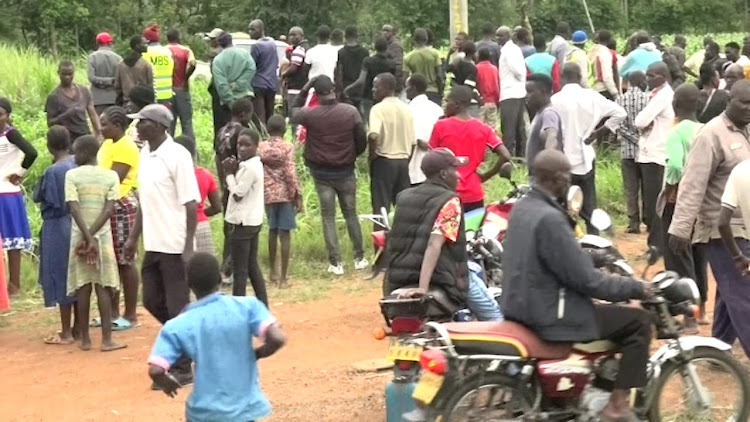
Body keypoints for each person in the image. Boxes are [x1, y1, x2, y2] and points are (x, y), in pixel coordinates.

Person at [502, 149, 651, 422]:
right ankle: (617, 406)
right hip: (550, 316)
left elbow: (550, 258)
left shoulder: (523, 208)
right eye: (568, 176)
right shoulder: (550, 218)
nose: (570, 181)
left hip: (520, 306)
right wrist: (635, 287)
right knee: (638, 321)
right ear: (558, 180)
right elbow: (589, 282)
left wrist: (592, 257)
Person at [147, 252, 286, 422]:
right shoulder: (247, 306)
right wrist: (256, 354)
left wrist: (165, 382)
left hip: (204, 413)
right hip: (243, 411)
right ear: (220, 279)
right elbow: (277, 338)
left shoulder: (179, 324)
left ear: (189, 284)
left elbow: (155, 370)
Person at [669, 80, 750, 361]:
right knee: (744, 296)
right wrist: (681, 228)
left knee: (733, 292)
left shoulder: (747, 130)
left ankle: (719, 351)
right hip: (722, 230)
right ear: (730, 100)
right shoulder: (711, 135)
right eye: (744, 103)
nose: (749, 108)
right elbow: (692, 182)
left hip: (746, 226)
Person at [124, 104, 200, 384]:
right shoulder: (145, 153)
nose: (137, 127)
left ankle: (183, 367)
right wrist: (133, 238)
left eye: (141, 122)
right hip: (154, 243)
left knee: (177, 305)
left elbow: (190, 203)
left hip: (174, 244)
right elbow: (145, 200)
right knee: (152, 300)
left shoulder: (177, 155)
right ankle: (190, 345)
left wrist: (188, 247)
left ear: (158, 126)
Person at [385, 148, 503, 321]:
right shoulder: (449, 201)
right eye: (455, 170)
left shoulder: (403, 197)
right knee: (496, 319)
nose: (459, 176)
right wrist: (422, 288)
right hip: (442, 277)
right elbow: (434, 244)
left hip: (400, 278)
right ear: (443, 174)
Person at [292, 76, 368, 275]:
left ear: (316, 94)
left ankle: (336, 263)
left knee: (328, 217)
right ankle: (359, 257)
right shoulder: (350, 112)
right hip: (346, 170)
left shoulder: (311, 114)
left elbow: (293, 111)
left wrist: (305, 87)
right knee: (351, 213)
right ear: (334, 89)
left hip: (322, 173)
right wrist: (352, 155)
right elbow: (361, 139)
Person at [64, 135, 124, 352]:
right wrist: (94, 238)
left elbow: (74, 208)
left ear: (83, 153)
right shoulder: (110, 176)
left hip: (79, 238)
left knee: (83, 287)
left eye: (75, 152)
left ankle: (86, 340)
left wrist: (85, 238)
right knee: (103, 286)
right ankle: (107, 340)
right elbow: (109, 210)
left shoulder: (72, 175)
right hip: (102, 238)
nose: (73, 156)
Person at [552, 62, 626, 234]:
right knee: (589, 204)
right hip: (586, 157)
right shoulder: (592, 97)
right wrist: (599, 132)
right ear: (580, 77)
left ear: (562, 78)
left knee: (564, 204)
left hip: (563, 160)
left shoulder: (555, 100)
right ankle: (594, 239)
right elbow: (620, 113)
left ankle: (568, 241)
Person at [658, 84, 707, 332]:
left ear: (675, 104)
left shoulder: (676, 133)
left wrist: (670, 188)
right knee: (699, 256)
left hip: (678, 202)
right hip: (702, 202)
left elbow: (675, 165)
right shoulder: (705, 130)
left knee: (678, 257)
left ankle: (688, 316)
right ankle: (702, 310)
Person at [429, 86, 511, 212]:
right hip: (473, 192)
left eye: (447, 102)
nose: (445, 106)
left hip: (446, 192)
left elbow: (431, 160)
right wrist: (485, 176)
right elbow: (505, 155)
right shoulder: (484, 128)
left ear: (456, 104)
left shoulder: (440, 126)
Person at [96, 106, 140, 330]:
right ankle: (112, 312)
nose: (100, 127)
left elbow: (113, 179)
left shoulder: (126, 147)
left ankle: (130, 314)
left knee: (125, 260)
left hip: (121, 205)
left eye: (105, 124)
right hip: (108, 205)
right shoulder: (107, 144)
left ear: (118, 126)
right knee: (110, 261)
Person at [34, 126, 77, 344]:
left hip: (57, 226)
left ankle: (66, 332)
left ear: (49, 145)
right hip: (76, 222)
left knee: (60, 275)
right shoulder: (76, 162)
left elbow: (40, 196)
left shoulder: (53, 171)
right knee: (76, 276)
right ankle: (78, 328)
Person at [222, 128, 268, 304]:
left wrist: (228, 175)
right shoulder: (248, 165)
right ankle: (263, 304)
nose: (241, 148)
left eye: (247, 145)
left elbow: (238, 193)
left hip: (243, 223)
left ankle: (238, 307)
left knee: (240, 270)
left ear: (256, 146)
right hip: (251, 221)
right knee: (251, 266)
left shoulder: (250, 168)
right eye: (239, 144)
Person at [0, 98, 38, 297]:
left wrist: (19, 173)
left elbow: (32, 152)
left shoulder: (11, 134)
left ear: (8, 116)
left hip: (7, 193)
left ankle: (14, 285)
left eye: (1, 114)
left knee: (12, 242)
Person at [258, 115, 301, 287]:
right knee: (285, 235)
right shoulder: (287, 147)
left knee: (272, 231)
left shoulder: (261, 147)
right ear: (284, 130)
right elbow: (290, 172)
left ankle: (272, 273)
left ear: (267, 129)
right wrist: (297, 194)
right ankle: (283, 278)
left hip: (267, 194)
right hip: (284, 195)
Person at [216, 98, 256, 279]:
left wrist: (223, 181)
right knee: (240, 229)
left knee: (228, 227)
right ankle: (232, 269)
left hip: (226, 183)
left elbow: (218, 159)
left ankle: (227, 267)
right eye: (249, 114)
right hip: (239, 184)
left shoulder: (221, 130)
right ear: (243, 114)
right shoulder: (243, 133)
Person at [368, 72, 414, 223]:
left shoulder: (378, 109)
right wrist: (407, 160)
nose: (373, 90)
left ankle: (380, 244)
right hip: (403, 162)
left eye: (376, 87)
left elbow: (373, 135)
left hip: (384, 161)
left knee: (381, 208)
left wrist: (372, 156)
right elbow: (413, 142)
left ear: (387, 88)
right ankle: (404, 243)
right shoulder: (407, 109)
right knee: (404, 208)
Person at [635, 61, 675, 234]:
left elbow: (640, 121)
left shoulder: (663, 96)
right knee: (650, 198)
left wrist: (644, 123)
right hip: (652, 150)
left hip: (656, 152)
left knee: (653, 200)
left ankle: (656, 241)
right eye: (647, 75)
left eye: (652, 75)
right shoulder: (656, 94)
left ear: (663, 77)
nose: (648, 79)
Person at [174, 135, 221, 256]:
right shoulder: (206, 174)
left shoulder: (173, 177)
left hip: (179, 226)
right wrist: (201, 214)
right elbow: (217, 207)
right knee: (204, 269)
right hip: (202, 226)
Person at [617, 71, 650, 233]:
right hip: (646, 151)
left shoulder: (620, 99)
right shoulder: (648, 99)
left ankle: (634, 223)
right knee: (647, 186)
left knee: (631, 188)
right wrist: (641, 140)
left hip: (627, 151)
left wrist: (632, 138)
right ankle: (649, 220)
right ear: (641, 81)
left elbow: (618, 126)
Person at [46, 61, 102, 142]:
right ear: (58, 73)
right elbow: (50, 123)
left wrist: (99, 132)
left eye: (70, 74)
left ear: (74, 73)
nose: (67, 77)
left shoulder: (84, 91)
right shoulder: (54, 96)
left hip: (84, 135)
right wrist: (67, 114)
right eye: (64, 74)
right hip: (66, 140)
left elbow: (92, 114)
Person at [345, 36, 397, 125]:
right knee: (385, 122)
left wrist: (348, 88)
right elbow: (393, 81)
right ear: (386, 47)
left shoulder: (368, 61)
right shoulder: (391, 63)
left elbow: (361, 80)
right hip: (386, 97)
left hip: (368, 96)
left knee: (370, 122)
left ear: (375, 47)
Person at [406, 75, 443, 186]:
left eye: (407, 86)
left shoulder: (408, 110)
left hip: (412, 166)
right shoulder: (437, 109)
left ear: (413, 88)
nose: (406, 90)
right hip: (435, 165)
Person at [497, 26, 527, 157]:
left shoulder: (509, 50)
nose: (498, 38)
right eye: (497, 35)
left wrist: (520, 79)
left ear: (508, 36)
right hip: (517, 92)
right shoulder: (511, 49)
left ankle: (507, 157)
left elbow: (518, 70)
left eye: (500, 35)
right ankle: (519, 156)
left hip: (511, 93)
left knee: (509, 127)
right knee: (518, 126)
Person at [525, 73, 563, 176]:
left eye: (530, 91)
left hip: (545, 179)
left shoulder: (549, 113)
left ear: (544, 91)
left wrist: (548, 158)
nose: (526, 95)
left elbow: (552, 135)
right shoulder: (540, 113)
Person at [212, 33, 257, 110]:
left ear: (219, 44)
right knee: (245, 121)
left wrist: (230, 102)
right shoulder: (244, 53)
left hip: (228, 102)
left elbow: (221, 84)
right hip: (245, 95)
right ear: (231, 41)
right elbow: (252, 68)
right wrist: (238, 84)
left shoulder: (218, 60)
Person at [165, 28, 196, 139]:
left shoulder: (164, 51)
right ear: (179, 37)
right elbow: (192, 64)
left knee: (169, 123)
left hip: (167, 90)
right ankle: (190, 151)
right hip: (182, 89)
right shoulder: (186, 50)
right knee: (187, 123)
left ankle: (167, 151)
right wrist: (185, 78)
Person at [248, 19, 279, 124]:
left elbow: (251, 66)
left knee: (259, 116)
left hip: (259, 84)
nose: (250, 32)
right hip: (272, 84)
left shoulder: (256, 46)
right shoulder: (272, 43)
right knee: (270, 114)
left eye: (253, 29)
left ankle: (262, 137)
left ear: (261, 30)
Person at [403, 28, 443, 105]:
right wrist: (440, 91)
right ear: (426, 39)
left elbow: (405, 78)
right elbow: (439, 75)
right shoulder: (434, 53)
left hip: (417, 93)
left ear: (413, 39)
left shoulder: (408, 57)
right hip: (433, 90)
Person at [282, 27, 310, 127]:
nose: (292, 37)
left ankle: (295, 138)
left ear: (301, 36)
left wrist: (283, 74)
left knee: (294, 116)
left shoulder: (299, 49)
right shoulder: (307, 48)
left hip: (295, 87)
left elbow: (294, 68)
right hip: (304, 86)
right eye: (290, 35)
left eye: (294, 35)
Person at [115, 36, 154, 108]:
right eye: (144, 43)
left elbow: (117, 86)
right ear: (137, 46)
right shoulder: (146, 64)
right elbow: (150, 86)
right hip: (142, 104)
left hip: (126, 103)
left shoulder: (121, 64)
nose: (147, 46)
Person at [88, 32, 122, 114]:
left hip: (98, 99)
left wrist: (105, 81)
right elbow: (121, 79)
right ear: (110, 43)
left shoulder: (92, 57)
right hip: (114, 99)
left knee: (99, 124)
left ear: (97, 43)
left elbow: (91, 78)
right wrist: (112, 81)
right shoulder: (118, 58)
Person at [142, 24, 175, 107]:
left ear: (146, 39)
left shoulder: (144, 53)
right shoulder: (167, 52)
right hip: (167, 94)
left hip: (151, 94)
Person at [336, 26, 369, 106]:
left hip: (346, 87)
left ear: (345, 36)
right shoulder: (365, 52)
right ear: (357, 36)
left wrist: (339, 90)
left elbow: (339, 73)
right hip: (361, 88)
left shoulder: (341, 52)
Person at [450, 42, 481, 117]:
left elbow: (452, 81)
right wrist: (479, 100)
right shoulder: (472, 68)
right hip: (469, 102)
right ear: (474, 52)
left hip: (456, 100)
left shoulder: (457, 64)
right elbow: (469, 86)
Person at [589, 30, 619, 99]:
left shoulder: (590, 51)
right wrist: (614, 93)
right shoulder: (605, 53)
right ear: (609, 40)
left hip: (592, 88)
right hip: (603, 90)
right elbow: (606, 76)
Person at [124, 84, 155, 149]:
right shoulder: (135, 121)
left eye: (132, 101)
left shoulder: (151, 127)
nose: (128, 104)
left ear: (141, 103)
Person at [476, 48, 500, 128]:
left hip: (480, 101)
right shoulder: (494, 69)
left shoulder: (476, 68)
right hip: (492, 101)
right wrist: (497, 99)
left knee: (479, 127)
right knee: (491, 127)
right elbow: (496, 86)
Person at [381, 24, 404, 92]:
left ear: (393, 33)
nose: (385, 33)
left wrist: (394, 81)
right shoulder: (386, 44)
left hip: (394, 82)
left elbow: (398, 64)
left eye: (387, 31)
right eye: (383, 30)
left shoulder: (395, 45)